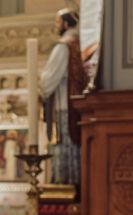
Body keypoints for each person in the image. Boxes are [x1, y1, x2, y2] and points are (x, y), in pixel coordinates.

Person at [39, 8, 87, 187]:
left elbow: (48, 81)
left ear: (67, 24)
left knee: (62, 144)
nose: (56, 26)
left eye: (58, 22)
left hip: (63, 107)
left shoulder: (63, 46)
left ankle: (63, 184)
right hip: (79, 108)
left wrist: (39, 88)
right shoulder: (83, 45)